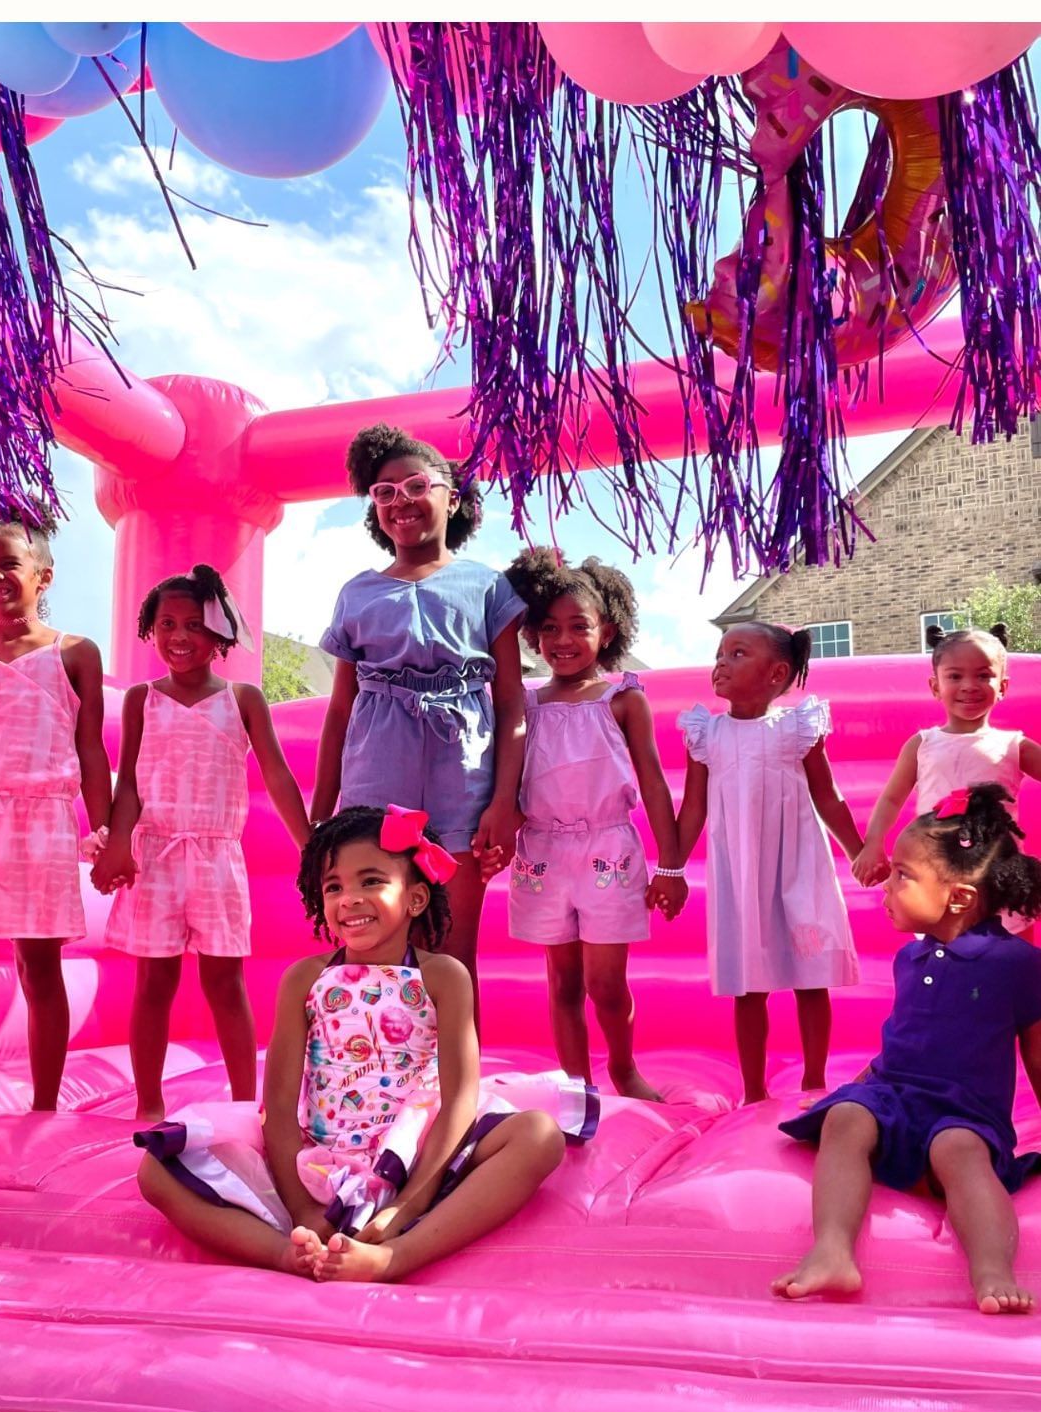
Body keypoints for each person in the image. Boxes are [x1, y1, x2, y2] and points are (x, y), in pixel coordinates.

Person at [135, 804, 597, 1282]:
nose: (350, 899)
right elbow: (278, 1104)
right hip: (318, 1155)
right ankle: (288, 1253)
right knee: (156, 1169)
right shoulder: (305, 979)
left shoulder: (443, 976)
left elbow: (459, 1096)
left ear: (415, 898)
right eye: (334, 886)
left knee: (538, 1136)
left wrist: (407, 1203)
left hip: (418, 1150)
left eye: (371, 881)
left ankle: (397, 1253)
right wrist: (302, 1209)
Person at [775, 784, 1041, 1313]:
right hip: (895, 1100)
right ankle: (831, 1250)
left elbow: (1036, 1055)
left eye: (903, 875)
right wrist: (852, 1091)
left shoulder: (1016, 964)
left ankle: (992, 1270)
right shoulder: (910, 959)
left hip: (963, 1112)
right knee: (845, 1120)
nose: (887, 886)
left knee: (960, 1152)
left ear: (958, 898)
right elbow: (902, 1044)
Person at [310, 424, 526, 1001]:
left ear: (451, 498)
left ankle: (457, 1062)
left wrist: (504, 802)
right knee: (376, 944)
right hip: (375, 783)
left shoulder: (488, 587)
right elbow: (339, 711)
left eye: (415, 485)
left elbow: (511, 702)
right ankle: (377, 1057)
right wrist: (321, 814)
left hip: (464, 784)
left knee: (453, 950)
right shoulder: (357, 593)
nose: (400, 500)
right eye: (384, 492)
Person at [93, 565, 309, 1118]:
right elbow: (129, 783)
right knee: (153, 982)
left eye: (194, 624)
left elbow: (278, 775)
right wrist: (119, 843)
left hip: (217, 859)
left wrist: (310, 844)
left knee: (225, 982)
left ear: (219, 633)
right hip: (155, 857)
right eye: (166, 624)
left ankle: (245, 1105)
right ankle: (148, 1105)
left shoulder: (243, 699)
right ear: (151, 630)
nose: (179, 636)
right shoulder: (141, 699)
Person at [504, 548, 685, 1102]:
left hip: (608, 850)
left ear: (606, 631)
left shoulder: (622, 699)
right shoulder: (525, 704)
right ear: (533, 635)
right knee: (563, 981)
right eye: (549, 628)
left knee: (606, 984)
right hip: (541, 852)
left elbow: (654, 784)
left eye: (578, 626)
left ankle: (624, 1071)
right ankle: (577, 1087)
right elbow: (508, 782)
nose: (563, 639)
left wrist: (671, 866)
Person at [0, 507, 111, 1112]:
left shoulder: (73, 653)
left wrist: (106, 831)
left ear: (43, 575)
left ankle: (44, 1105)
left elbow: (92, 749)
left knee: (37, 963)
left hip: (40, 822)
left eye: (8, 564)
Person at [675, 624, 862, 1104]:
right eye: (719, 653)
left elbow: (827, 795)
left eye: (737, 653)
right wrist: (670, 868)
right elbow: (693, 808)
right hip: (741, 873)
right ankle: (754, 1091)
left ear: (776, 674)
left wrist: (858, 851)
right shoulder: (706, 733)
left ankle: (815, 1080)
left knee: (811, 977)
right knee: (748, 986)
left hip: (799, 866)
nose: (721, 662)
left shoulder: (798, 728)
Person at [853, 625, 1041, 897]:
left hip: (997, 876)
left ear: (1002, 686)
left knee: (1003, 924)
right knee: (938, 922)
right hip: (935, 873)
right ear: (935, 686)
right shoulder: (922, 745)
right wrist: (873, 843)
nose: (969, 686)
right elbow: (891, 799)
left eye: (984, 675)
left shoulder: (1014, 745)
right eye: (955, 676)